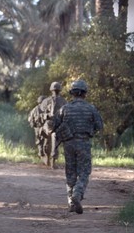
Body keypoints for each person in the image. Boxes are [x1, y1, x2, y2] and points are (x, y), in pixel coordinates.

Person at [53, 80, 103, 214]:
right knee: (84, 172)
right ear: (84, 93)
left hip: (68, 143)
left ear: (73, 93)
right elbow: (99, 126)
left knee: (70, 173)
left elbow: (55, 126)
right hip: (84, 143)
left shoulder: (64, 108)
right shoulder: (90, 108)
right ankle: (77, 193)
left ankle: (71, 202)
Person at [40, 82, 67, 168]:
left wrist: (46, 116)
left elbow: (41, 113)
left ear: (51, 89)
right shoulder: (64, 101)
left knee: (48, 142)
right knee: (55, 143)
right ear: (60, 90)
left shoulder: (45, 101)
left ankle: (49, 160)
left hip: (49, 124)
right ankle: (52, 161)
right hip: (56, 124)